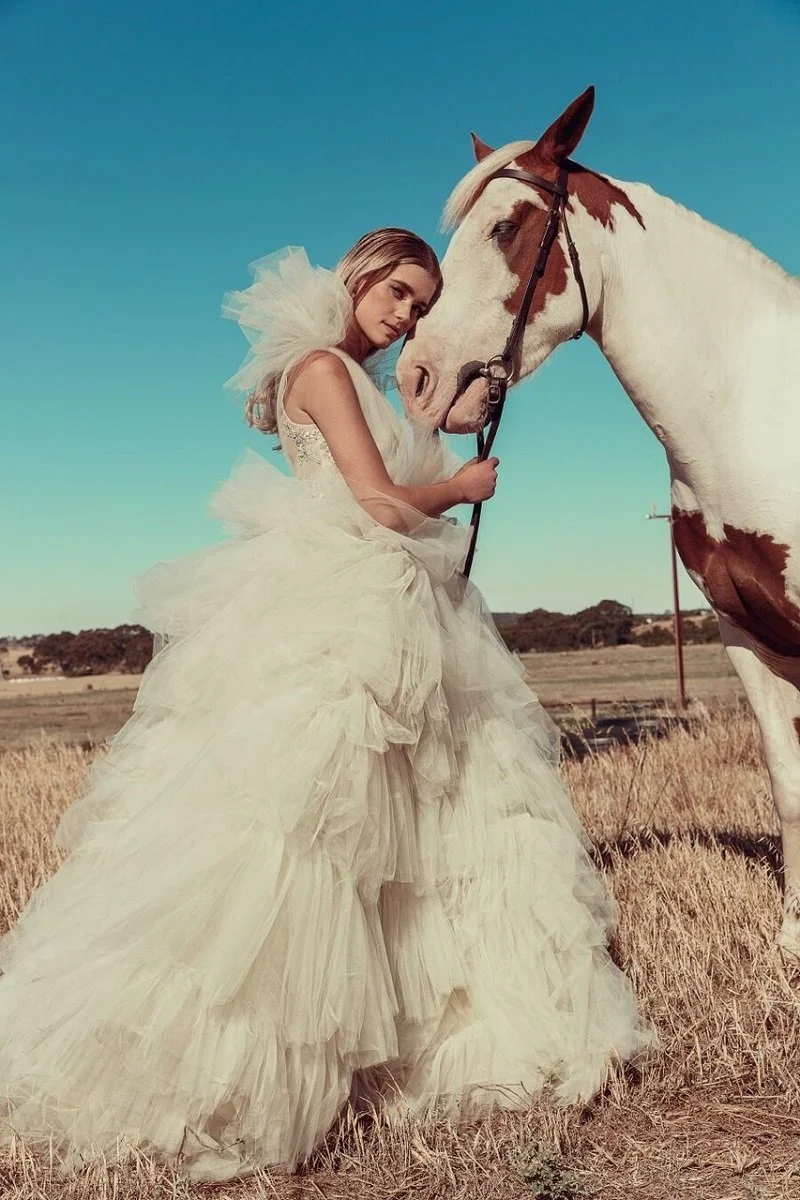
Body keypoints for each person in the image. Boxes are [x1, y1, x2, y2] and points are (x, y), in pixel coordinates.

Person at [0, 229, 652, 1183]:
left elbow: (403, 464)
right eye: (399, 293)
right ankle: (233, 1070)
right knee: (311, 833)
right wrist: (462, 489)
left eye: (423, 305)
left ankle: (410, 1042)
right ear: (358, 276)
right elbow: (382, 502)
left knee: (415, 825)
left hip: (396, 609)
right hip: (342, 610)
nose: (408, 315)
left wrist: (470, 405)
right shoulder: (321, 369)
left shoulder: (360, 375)